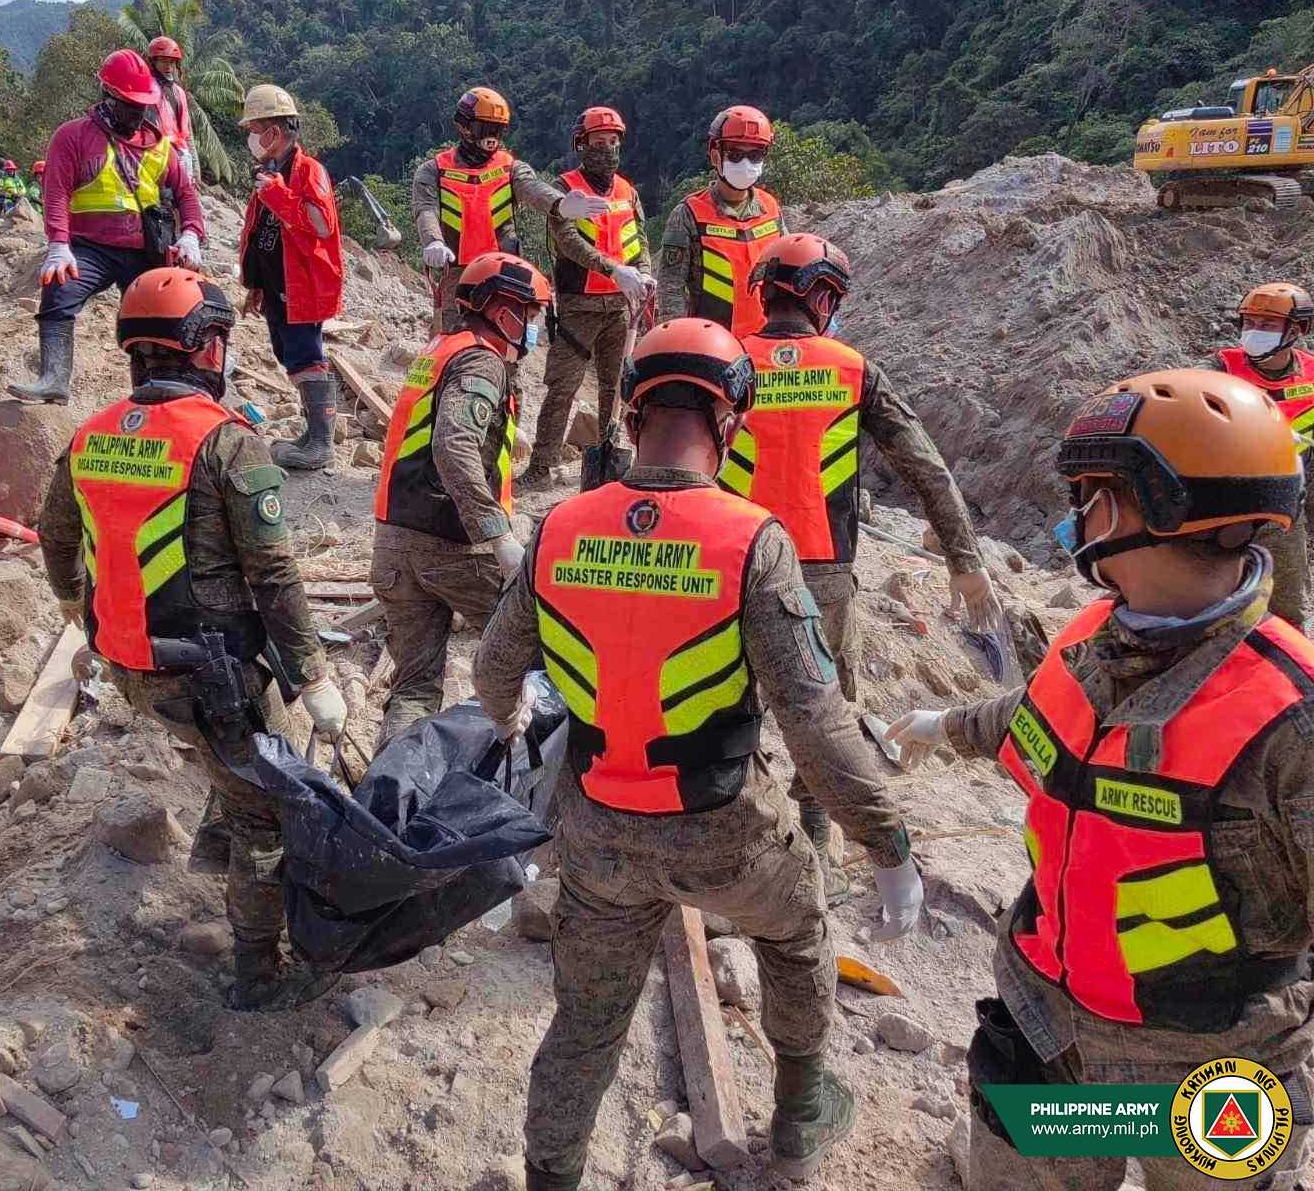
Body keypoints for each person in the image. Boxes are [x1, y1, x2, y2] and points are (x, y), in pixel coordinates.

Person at [473, 318, 924, 1191]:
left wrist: (516, 726)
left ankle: (550, 1176)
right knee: (796, 937)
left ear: (633, 413)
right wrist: (889, 843)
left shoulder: (561, 528)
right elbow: (816, 724)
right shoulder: (752, 541)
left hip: (598, 833)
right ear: (731, 421)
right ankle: (797, 1123)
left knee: (584, 1027)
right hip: (723, 829)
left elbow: (496, 673)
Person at [888, 369, 1314, 1191]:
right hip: (1050, 1032)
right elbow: (1044, 712)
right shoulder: (1093, 636)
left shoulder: (1290, 720)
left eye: (1089, 494)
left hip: (1203, 1078)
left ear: (1131, 509)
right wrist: (949, 727)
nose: (1077, 516)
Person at [37, 268, 348, 1011]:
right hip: (210, 676)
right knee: (266, 818)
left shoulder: (93, 433)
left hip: (127, 664)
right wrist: (312, 677)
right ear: (206, 345)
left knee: (232, 768)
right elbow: (273, 575)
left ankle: (222, 826)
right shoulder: (227, 442)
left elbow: (54, 536)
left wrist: (80, 612)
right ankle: (256, 974)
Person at [717, 233, 995, 903]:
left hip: (727, 558)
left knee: (726, 690)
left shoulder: (726, 363)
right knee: (822, 703)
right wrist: (964, 561)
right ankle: (812, 825)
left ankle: (731, 816)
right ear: (820, 296)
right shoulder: (851, 369)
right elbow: (926, 469)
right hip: (819, 568)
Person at [371, 253, 550, 746]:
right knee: (540, 654)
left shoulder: (440, 350)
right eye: (529, 315)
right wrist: (498, 536)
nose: (532, 328)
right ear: (501, 310)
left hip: (393, 544)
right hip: (454, 547)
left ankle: (390, 797)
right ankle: (537, 777)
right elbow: (453, 444)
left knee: (412, 688)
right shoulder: (481, 360)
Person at [8, 49, 206, 407]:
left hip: (145, 250)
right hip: (90, 248)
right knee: (59, 291)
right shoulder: (74, 137)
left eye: (143, 105)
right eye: (130, 105)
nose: (137, 113)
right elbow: (55, 194)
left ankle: (158, 390)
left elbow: (186, 195)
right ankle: (53, 378)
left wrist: (191, 233)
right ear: (108, 97)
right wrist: (58, 245)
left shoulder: (161, 147)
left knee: (163, 314)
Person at [520, 106, 655, 491]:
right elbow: (569, 244)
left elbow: (640, 240)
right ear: (582, 145)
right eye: (599, 143)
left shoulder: (628, 192)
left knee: (616, 389)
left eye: (613, 142)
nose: (608, 150)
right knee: (562, 386)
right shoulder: (565, 190)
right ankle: (541, 467)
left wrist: (643, 271)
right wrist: (613, 269)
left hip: (621, 306)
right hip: (579, 305)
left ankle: (606, 464)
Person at [409, 87, 609, 332]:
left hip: (503, 271)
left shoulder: (511, 168)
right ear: (464, 126)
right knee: (453, 338)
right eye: (486, 128)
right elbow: (425, 209)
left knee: (507, 340)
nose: (492, 137)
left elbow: (533, 189)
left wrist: (560, 204)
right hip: (456, 272)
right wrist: (433, 241)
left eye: (498, 130)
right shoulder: (434, 170)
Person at [237, 84, 345, 472]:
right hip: (278, 282)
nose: (251, 136)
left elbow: (319, 223)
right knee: (290, 354)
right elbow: (263, 232)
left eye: (256, 127)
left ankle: (320, 444)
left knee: (305, 354)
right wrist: (256, 283)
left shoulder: (306, 170)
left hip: (301, 282)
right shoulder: (270, 172)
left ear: (275, 132)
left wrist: (279, 194)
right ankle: (311, 434)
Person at [1205, 281, 1314, 629]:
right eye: (1249, 323)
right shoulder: (1220, 368)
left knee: (1288, 607)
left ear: (1296, 330)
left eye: (1265, 326)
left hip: (1284, 500)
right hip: (1226, 498)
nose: (1253, 333)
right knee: (1208, 596)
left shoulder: (1312, 372)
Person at [658, 106, 784, 338]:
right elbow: (670, 288)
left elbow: (788, 270)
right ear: (716, 155)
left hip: (766, 340)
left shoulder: (770, 208)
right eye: (736, 155)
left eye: (755, 155)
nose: (746, 163)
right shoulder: (689, 214)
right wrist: (679, 341)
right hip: (712, 343)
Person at [147, 35, 196, 184]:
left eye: (171, 62)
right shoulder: (147, 88)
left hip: (180, 152)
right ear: (153, 62)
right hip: (156, 153)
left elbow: (187, 132)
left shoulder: (179, 92)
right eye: (163, 61)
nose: (168, 66)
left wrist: (194, 166)